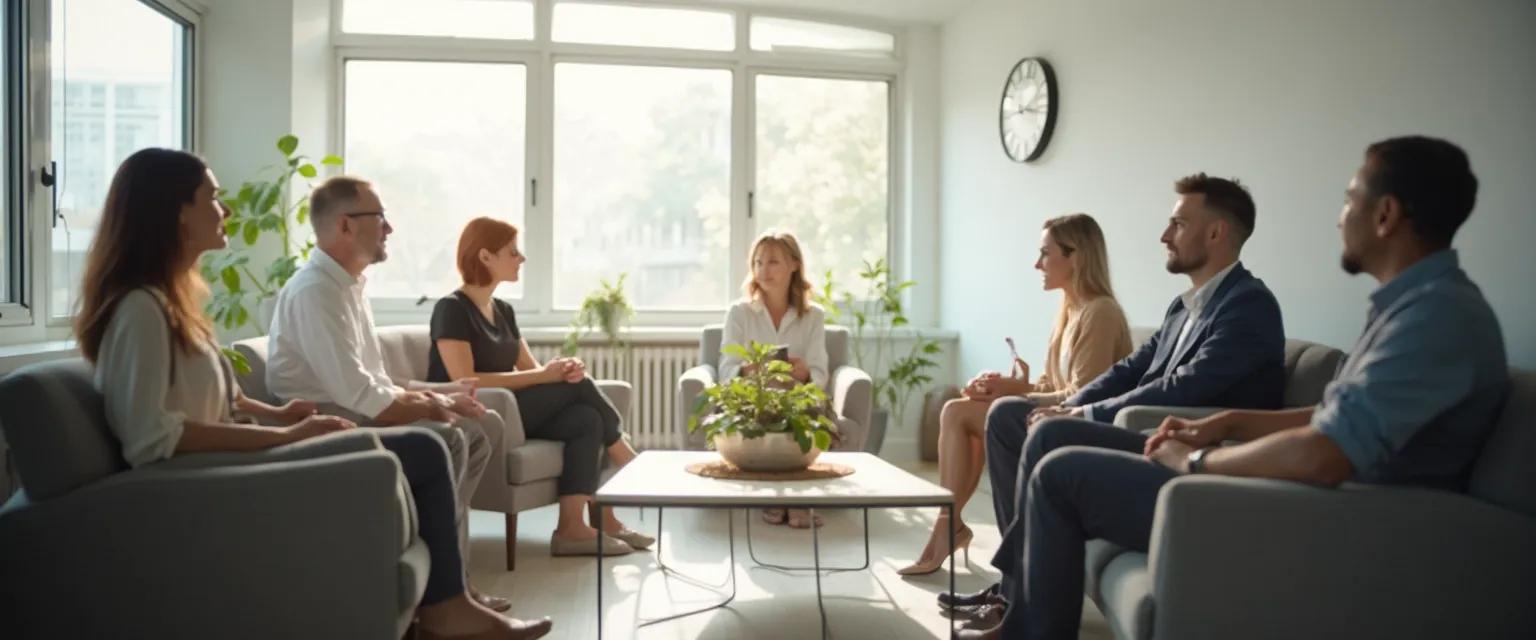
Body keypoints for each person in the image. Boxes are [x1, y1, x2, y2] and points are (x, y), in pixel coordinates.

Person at [962, 136, 1508, 639]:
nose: (1341, 216)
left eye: (1349, 199)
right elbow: (1331, 417)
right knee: (1043, 441)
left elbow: (1326, 454)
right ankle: (1022, 610)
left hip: (1328, 514)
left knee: (1063, 471)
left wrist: (1195, 462)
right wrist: (1225, 425)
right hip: (1309, 490)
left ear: (1385, 215)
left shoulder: (1434, 318)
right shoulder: (1413, 308)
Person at [76, 148, 551, 639]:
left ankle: (446, 594)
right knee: (432, 445)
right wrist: (286, 435)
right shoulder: (142, 311)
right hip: (212, 480)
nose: (227, 209)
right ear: (176, 211)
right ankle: (446, 604)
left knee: (449, 437)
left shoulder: (171, 304)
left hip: (245, 454)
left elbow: (218, 400)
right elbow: (152, 438)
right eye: (213, 198)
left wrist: (274, 413)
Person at [950, 173, 1287, 624]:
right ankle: (1015, 593)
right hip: (1146, 432)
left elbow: (1185, 385)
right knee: (1010, 413)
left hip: (1187, 449)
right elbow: (1128, 370)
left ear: (1216, 232)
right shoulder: (1183, 306)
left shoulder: (1249, 305)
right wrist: (1071, 405)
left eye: (1178, 224)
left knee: (1049, 432)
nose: (1164, 235)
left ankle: (1018, 602)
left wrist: (1083, 412)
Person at [265, 176, 507, 612]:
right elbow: (360, 394)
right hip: (323, 418)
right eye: (379, 217)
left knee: (478, 428)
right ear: (345, 226)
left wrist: (445, 397)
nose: (389, 228)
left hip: (350, 403)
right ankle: (446, 592)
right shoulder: (316, 291)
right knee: (448, 436)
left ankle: (449, 574)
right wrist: (435, 404)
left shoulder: (349, 287)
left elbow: (374, 378)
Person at [898, 213, 1131, 576]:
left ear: (1075, 257)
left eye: (1045, 253)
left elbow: (1083, 397)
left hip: (1076, 431)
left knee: (958, 414)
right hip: (1053, 417)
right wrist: (1006, 387)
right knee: (959, 409)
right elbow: (1052, 385)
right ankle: (949, 525)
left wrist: (1011, 398)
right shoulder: (1070, 312)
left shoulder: (1100, 313)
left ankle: (948, 527)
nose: (1037, 263)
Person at [426, 216, 652, 556]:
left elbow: (530, 370)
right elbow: (466, 382)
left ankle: (573, 528)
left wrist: (561, 371)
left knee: (586, 419)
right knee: (581, 390)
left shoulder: (502, 310)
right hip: (480, 412)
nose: (522, 259)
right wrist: (546, 376)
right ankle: (626, 457)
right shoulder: (452, 309)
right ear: (485, 256)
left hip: (514, 409)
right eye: (513, 252)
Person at [719, 230, 861, 529]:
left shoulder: (813, 316)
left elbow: (821, 373)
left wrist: (805, 371)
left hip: (796, 397)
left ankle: (794, 499)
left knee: (804, 410)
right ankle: (781, 499)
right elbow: (726, 368)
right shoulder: (739, 312)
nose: (763, 270)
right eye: (758, 262)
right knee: (767, 407)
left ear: (794, 265)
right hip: (755, 397)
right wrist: (751, 370)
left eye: (772, 262)